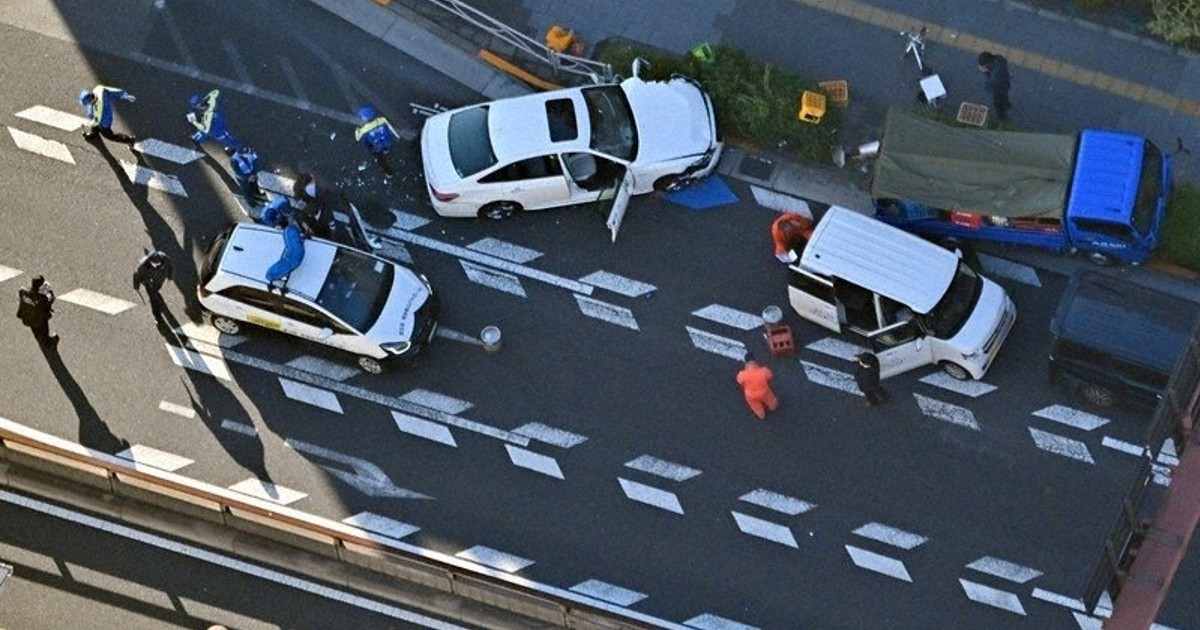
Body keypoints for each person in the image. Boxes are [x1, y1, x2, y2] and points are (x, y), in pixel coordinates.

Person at [187, 89, 240, 153]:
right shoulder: (211, 98)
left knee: (223, 137)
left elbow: (206, 129)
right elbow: (216, 91)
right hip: (221, 115)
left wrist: (194, 122)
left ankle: (237, 149)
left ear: (199, 105)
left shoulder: (208, 114)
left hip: (217, 127)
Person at [354, 105, 400, 177]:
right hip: (387, 142)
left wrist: (357, 131)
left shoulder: (364, 130)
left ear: (366, 118)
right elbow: (390, 129)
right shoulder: (382, 120)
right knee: (386, 146)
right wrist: (397, 137)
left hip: (376, 147)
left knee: (380, 159)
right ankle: (386, 150)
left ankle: (388, 172)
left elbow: (358, 138)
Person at [132, 250, 175, 323]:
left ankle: (157, 296)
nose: (158, 264)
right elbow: (136, 276)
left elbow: (170, 266)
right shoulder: (142, 267)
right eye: (155, 263)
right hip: (149, 284)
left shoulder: (164, 258)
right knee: (153, 299)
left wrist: (170, 277)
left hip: (159, 281)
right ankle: (157, 315)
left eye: (158, 262)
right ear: (150, 261)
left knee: (156, 291)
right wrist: (136, 287)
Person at [16, 275, 58, 347]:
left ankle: (37, 335)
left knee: (34, 328)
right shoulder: (42, 298)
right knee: (44, 330)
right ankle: (46, 342)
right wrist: (49, 291)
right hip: (39, 320)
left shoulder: (23, 292)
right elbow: (51, 299)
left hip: (27, 317)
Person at [736, 353, 779, 420]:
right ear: (755, 361)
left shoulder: (742, 374)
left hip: (750, 395)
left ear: (746, 362)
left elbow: (739, 380)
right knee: (771, 400)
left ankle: (761, 415)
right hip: (764, 391)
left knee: (756, 407)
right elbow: (770, 375)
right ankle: (773, 407)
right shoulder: (764, 371)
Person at [977, 51, 1012, 121]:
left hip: (999, 88)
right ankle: (1007, 104)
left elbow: (990, 84)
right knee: (1004, 94)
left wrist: (985, 72)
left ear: (987, 63)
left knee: (998, 103)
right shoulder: (999, 59)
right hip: (1006, 83)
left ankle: (1001, 116)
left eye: (983, 65)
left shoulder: (996, 73)